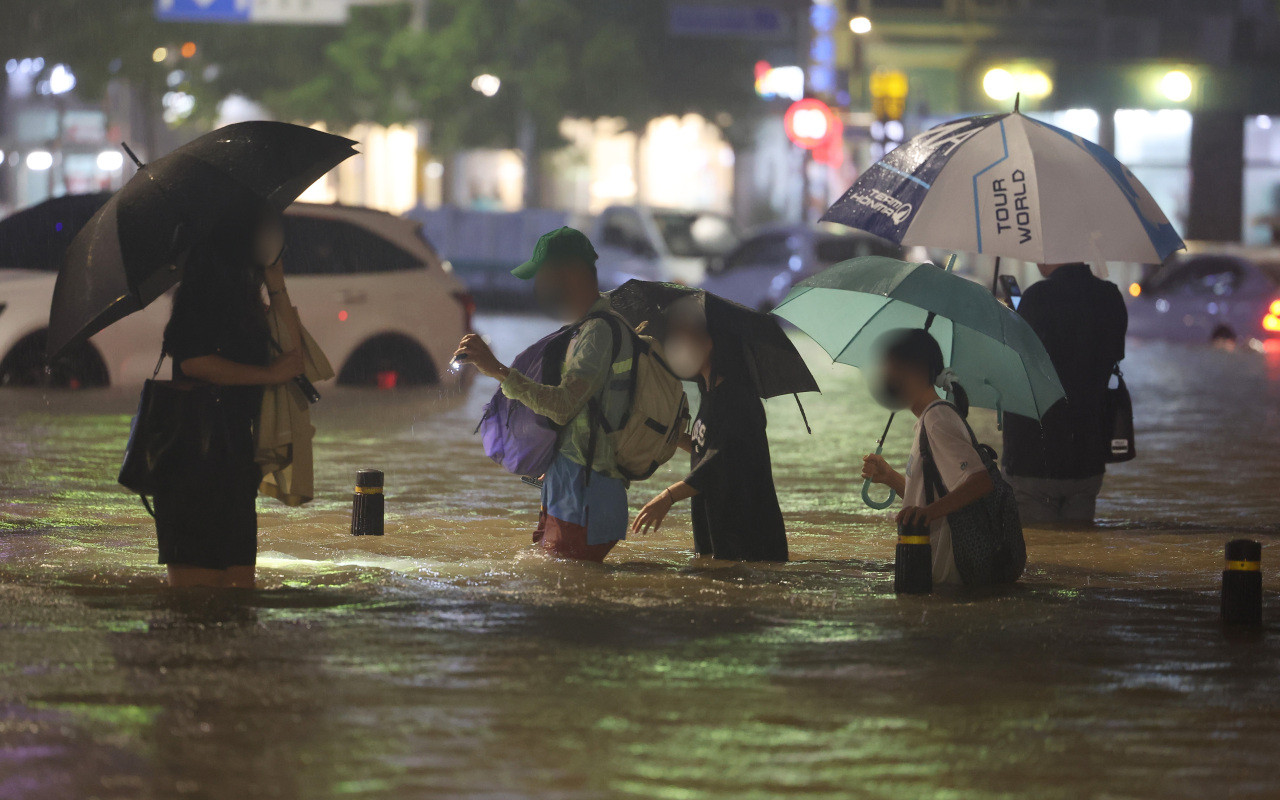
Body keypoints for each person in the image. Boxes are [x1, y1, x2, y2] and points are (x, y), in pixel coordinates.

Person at [154, 199, 305, 589]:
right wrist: (265, 374)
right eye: (266, 230)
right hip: (193, 462)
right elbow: (192, 362)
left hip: (235, 460)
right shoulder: (201, 289)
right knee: (196, 601)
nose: (275, 238)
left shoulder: (246, 294)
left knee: (240, 594)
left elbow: (295, 356)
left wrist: (276, 283)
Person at [454, 227, 629, 562]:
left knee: (564, 597)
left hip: (583, 499)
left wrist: (498, 371)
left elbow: (563, 406)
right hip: (569, 489)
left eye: (545, 276)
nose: (540, 288)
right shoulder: (588, 325)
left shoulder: (596, 333)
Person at [631, 300, 788, 561]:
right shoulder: (709, 392)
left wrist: (667, 497)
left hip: (750, 539)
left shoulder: (739, 398)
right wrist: (669, 437)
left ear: (710, 342)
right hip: (719, 528)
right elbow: (706, 446)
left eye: (686, 336)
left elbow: (720, 460)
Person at [860, 329, 994, 586]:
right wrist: (890, 478)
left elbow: (980, 481)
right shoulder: (928, 419)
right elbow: (932, 496)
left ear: (916, 371)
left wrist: (929, 514)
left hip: (948, 576)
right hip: (932, 572)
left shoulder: (936, 419)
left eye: (892, 367)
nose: (886, 376)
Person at [1001, 263, 1128, 524]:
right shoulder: (1111, 297)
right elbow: (1112, 355)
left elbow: (1020, 361)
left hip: (1034, 455)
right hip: (1087, 456)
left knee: (1040, 556)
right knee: (1079, 552)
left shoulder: (1036, 297)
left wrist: (1008, 321)